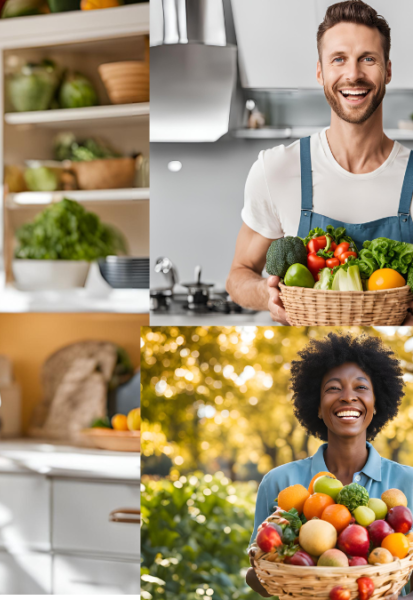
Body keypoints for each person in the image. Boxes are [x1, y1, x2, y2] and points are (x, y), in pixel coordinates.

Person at [226, 0, 413, 324]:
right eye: (338, 59)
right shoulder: (277, 170)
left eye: (368, 59)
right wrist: (268, 296)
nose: (353, 74)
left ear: (388, 69)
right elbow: (238, 276)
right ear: (320, 71)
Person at [245, 333, 413, 599]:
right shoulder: (279, 482)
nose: (348, 397)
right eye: (333, 388)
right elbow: (256, 575)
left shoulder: (408, 483)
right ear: (318, 407)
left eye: (361, 388)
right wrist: (279, 565)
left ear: (376, 404)